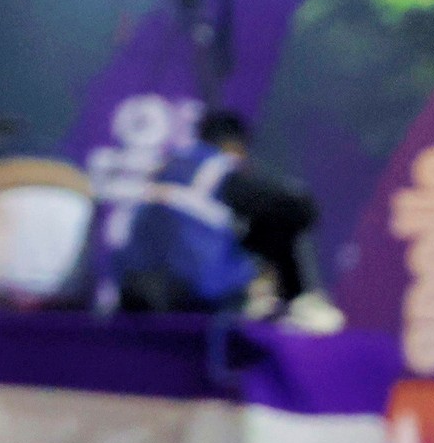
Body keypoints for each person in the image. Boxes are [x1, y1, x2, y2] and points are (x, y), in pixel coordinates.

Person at [113, 107, 321, 317]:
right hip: (195, 298)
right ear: (235, 146)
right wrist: (258, 244)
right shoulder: (220, 167)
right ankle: (297, 301)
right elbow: (299, 207)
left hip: (134, 294)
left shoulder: (167, 166)